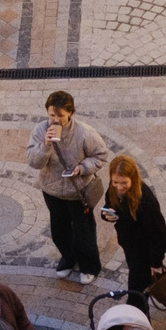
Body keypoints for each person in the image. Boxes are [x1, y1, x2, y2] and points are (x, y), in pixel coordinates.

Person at [29, 91, 108, 282]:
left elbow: (101, 155)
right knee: (59, 230)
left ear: (70, 113)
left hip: (78, 191)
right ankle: (68, 257)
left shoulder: (84, 133)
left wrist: (82, 168)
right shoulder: (40, 131)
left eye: (60, 116)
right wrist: (45, 145)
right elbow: (34, 162)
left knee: (84, 232)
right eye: (52, 115)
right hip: (52, 191)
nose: (55, 120)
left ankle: (90, 265)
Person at [98, 161, 166, 314]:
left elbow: (161, 236)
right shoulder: (114, 190)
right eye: (115, 182)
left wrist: (156, 262)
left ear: (133, 178)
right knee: (152, 281)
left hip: (146, 251)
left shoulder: (145, 200)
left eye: (124, 183)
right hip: (130, 246)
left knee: (137, 289)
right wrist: (107, 214)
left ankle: (135, 319)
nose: (119, 187)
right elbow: (109, 205)